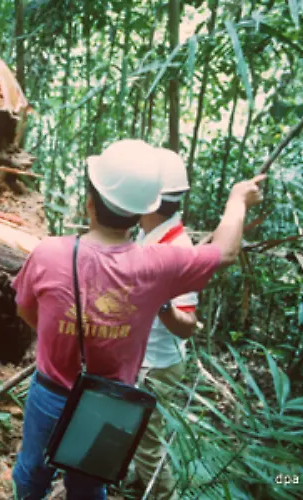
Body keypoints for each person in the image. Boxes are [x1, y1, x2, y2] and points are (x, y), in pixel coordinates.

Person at [10, 139, 265, 500]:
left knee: (32, 473)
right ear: (142, 212)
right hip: (111, 402)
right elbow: (225, 252)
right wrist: (236, 200)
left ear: (89, 203)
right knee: (88, 484)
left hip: (51, 394)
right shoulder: (157, 265)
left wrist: (61, 336)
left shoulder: (49, 253)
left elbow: (25, 309)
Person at [131, 148, 197, 499]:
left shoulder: (176, 250)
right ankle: (135, 479)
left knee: (147, 443)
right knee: (138, 432)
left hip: (156, 366)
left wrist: (161, 304)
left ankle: (163, 493)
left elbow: (187, 325)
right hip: (145, 359)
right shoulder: (150, 233)